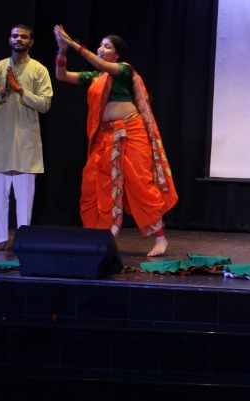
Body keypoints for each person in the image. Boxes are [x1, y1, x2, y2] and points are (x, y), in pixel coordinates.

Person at [52, 25, 177, 256]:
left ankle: (160, 239)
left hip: (131, 132)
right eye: (100, 45)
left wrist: (76, 46)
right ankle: (99, 238)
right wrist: (63, 50)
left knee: (140, 184)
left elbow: (101, 65)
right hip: (105, 137)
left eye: (107, 46)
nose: (101, 49)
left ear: (117, 54)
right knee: (93, 185)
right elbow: (62, 76)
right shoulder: (95, 77)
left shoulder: (124, 69)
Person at [0, 24, 53, 251]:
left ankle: (23, 241)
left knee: (24, 199)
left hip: (26, 143)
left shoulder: (39, 70)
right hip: (1, 143)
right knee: (0, 197)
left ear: (31, 42)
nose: (19, 39)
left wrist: (20, 90)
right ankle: (1, 240)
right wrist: (3, 91)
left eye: (24, 36)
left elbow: (45, 104)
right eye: (15, 36)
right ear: (9, 40)